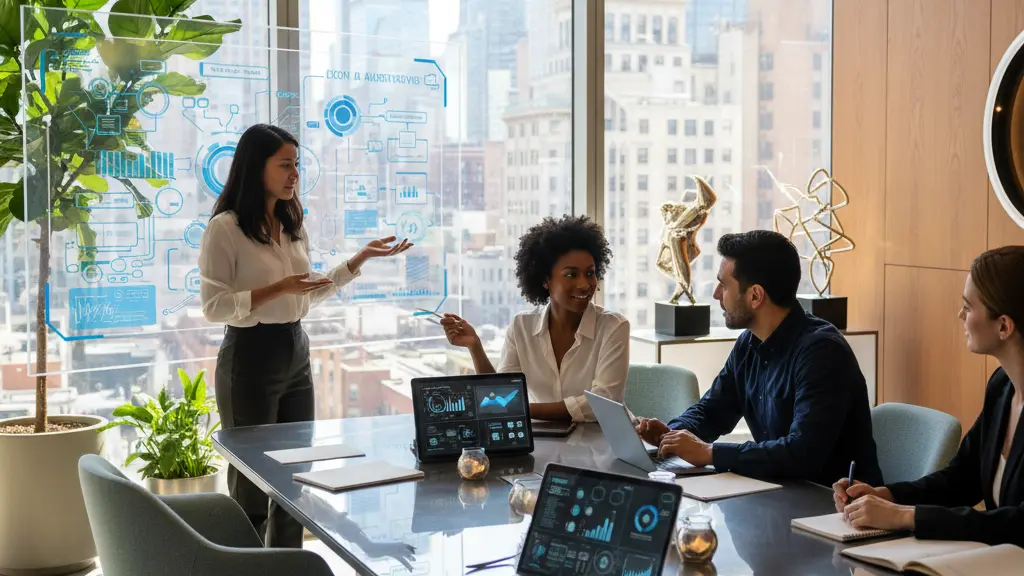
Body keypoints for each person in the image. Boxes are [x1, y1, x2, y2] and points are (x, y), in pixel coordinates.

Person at [198, 124, 411, 548]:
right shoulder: (225, 228)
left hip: (295, 350)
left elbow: (306, 295)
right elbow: (213, 306)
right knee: (253, 482)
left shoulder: (292, 222)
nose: (294, 174)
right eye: (285, 165)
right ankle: (245, 569)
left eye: (296, 165)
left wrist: (358, 259)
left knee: (295, 474)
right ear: (255, 167)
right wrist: (280, 288)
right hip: (250, 356)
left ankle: (288, 566)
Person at [635, 230, 882, 487]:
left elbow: (803, 453)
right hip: (778, 495)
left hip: (831, 507)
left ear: (755, 296)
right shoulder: (749, 342)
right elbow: (713, 410)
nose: (717, 294)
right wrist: (670, 434)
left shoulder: (822, 353)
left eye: (724, 284)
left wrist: (711, 453)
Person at [834, 246, 1024, 546]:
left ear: (1003, 325)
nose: (959, 314)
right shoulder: (1002, 386)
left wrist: (905, 516)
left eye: (968, 306)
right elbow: (962, 478)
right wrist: (888, 495)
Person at [440, 215, 629, 422]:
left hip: (600, 444)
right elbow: (502, 394)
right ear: (545, 280)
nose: (584, 284)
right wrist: (474, 346)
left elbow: (602, 404)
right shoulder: (522, 326)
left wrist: (523, 410)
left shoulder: (613, 327)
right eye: (570, 275)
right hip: (545, 444)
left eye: (590, 273)